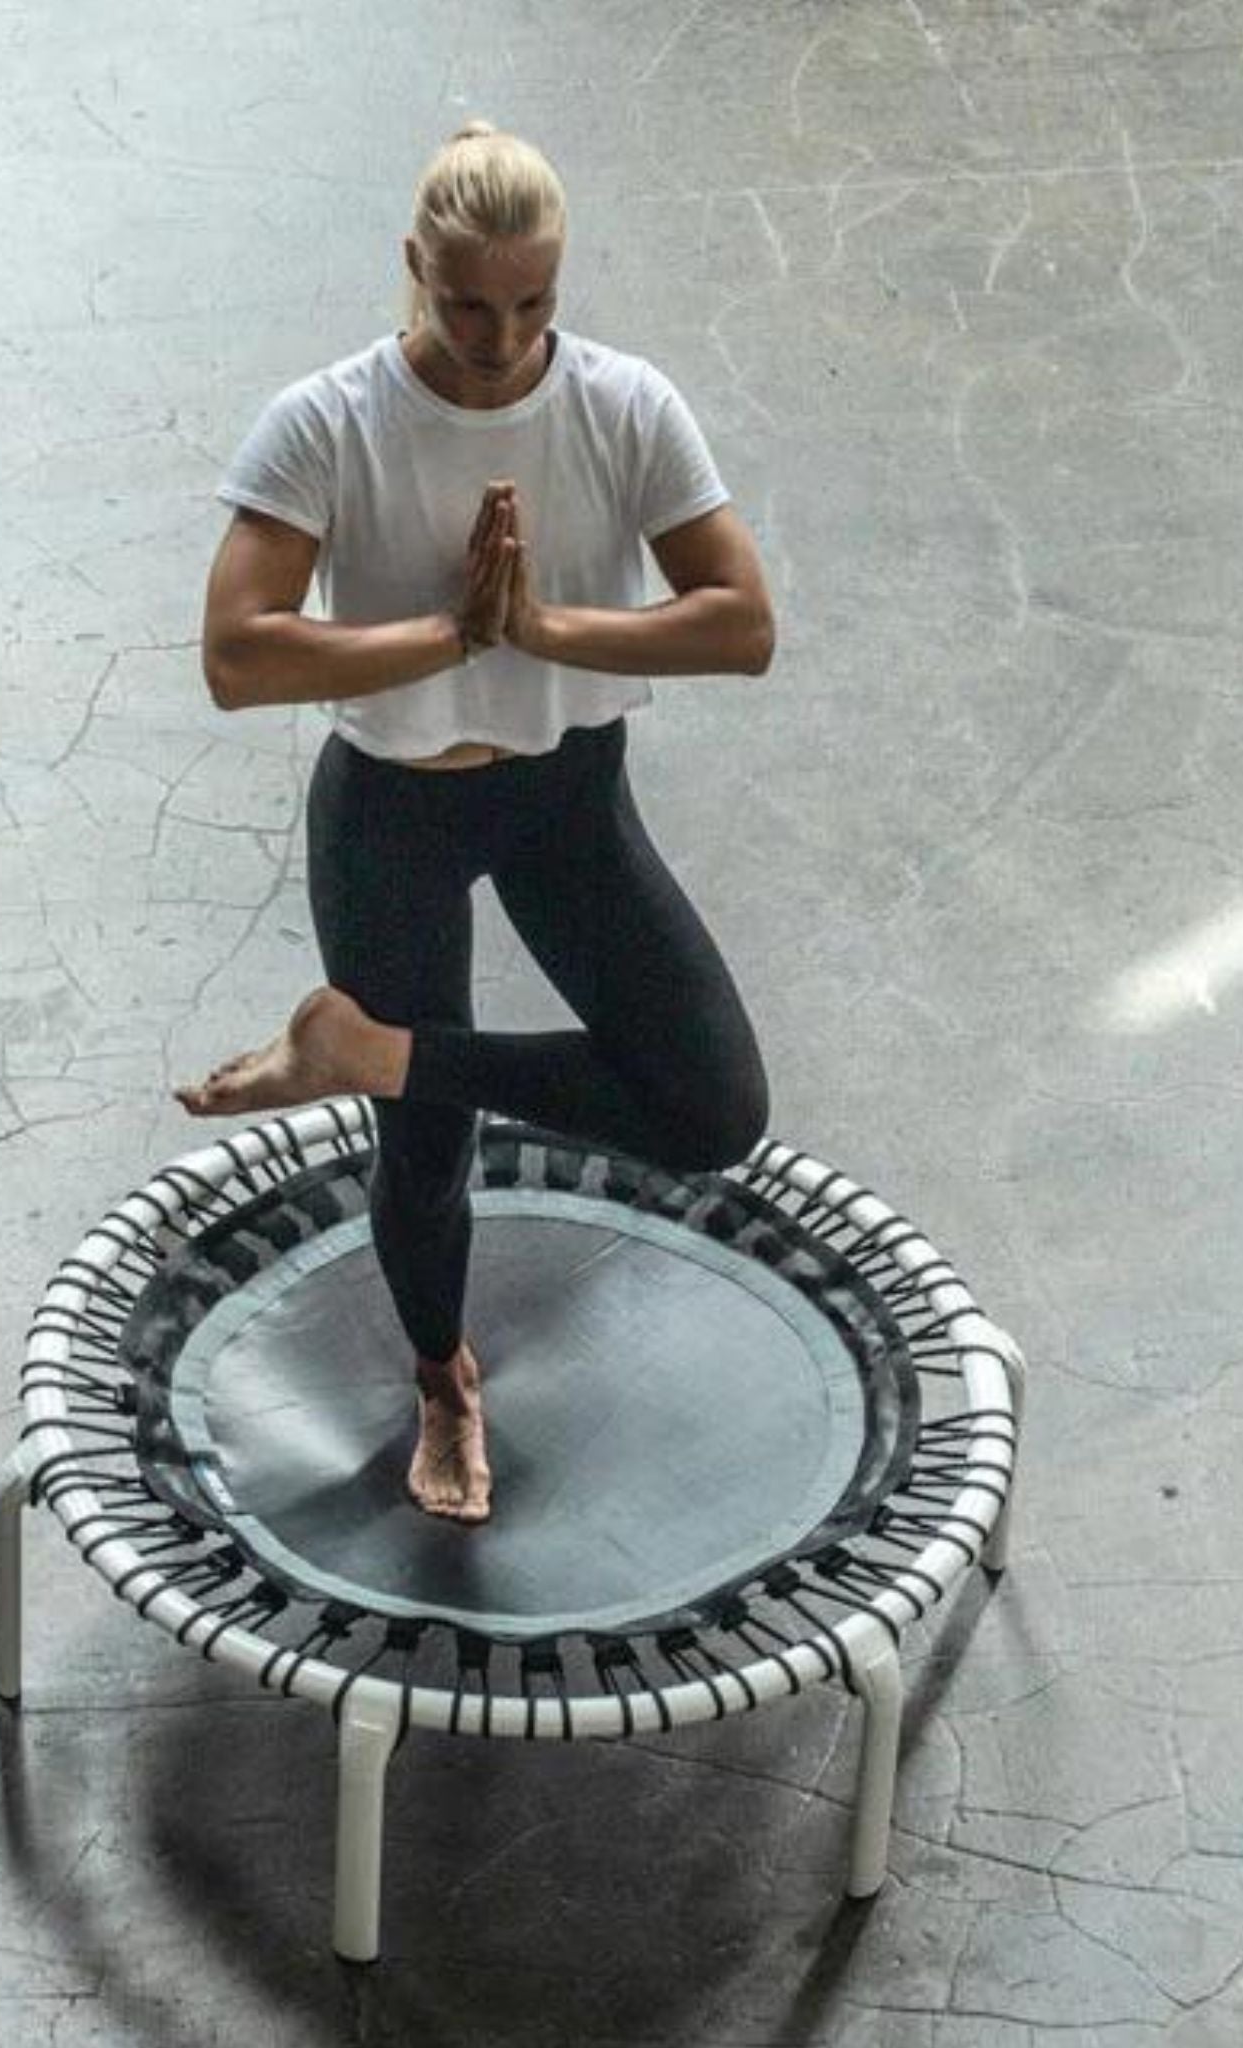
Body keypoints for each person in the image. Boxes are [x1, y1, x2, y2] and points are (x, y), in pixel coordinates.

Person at [175, 122, 774, 1526]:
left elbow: (743, 627)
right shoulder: (329, 421)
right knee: (425, 1152)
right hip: (393, 811)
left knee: (713, 1108)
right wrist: (447, 638)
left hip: (568, 794)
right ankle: (445, 1382)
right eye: (466, 304)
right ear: (413, 271)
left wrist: (541, 626)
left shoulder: (625, 406)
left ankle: (363, 1049)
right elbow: (237, 657)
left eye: (532, 305)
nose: (501, 338)